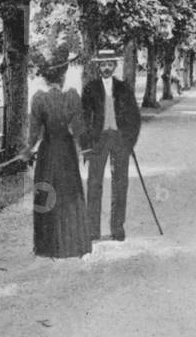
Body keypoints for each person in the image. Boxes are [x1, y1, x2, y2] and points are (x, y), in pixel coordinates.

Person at [16, 57, 92, 258]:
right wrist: (85, 149)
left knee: (48, 194)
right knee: (69, 194)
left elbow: (33, 133)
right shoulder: (72, 97)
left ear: (46, 79)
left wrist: (27, 150)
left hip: (48, 153)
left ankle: (47, 246)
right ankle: (73, 245)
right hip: (66, 153)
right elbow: (78, 129)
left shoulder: (39, 99)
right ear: (64, 76)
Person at [80, 48, 141, 241]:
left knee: (120, 183)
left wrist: (130, 141)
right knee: (94, 184)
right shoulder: (90, 88)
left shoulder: (124, 88)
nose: (106, 68)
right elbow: (82, 119)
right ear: (98, 66)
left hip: (120, 140)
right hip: (98, 141)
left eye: (109, 64)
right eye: (103, 64)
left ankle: (117, 228)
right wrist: (86, 145)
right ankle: (92, 230)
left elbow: (134, 117)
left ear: (114, 66)